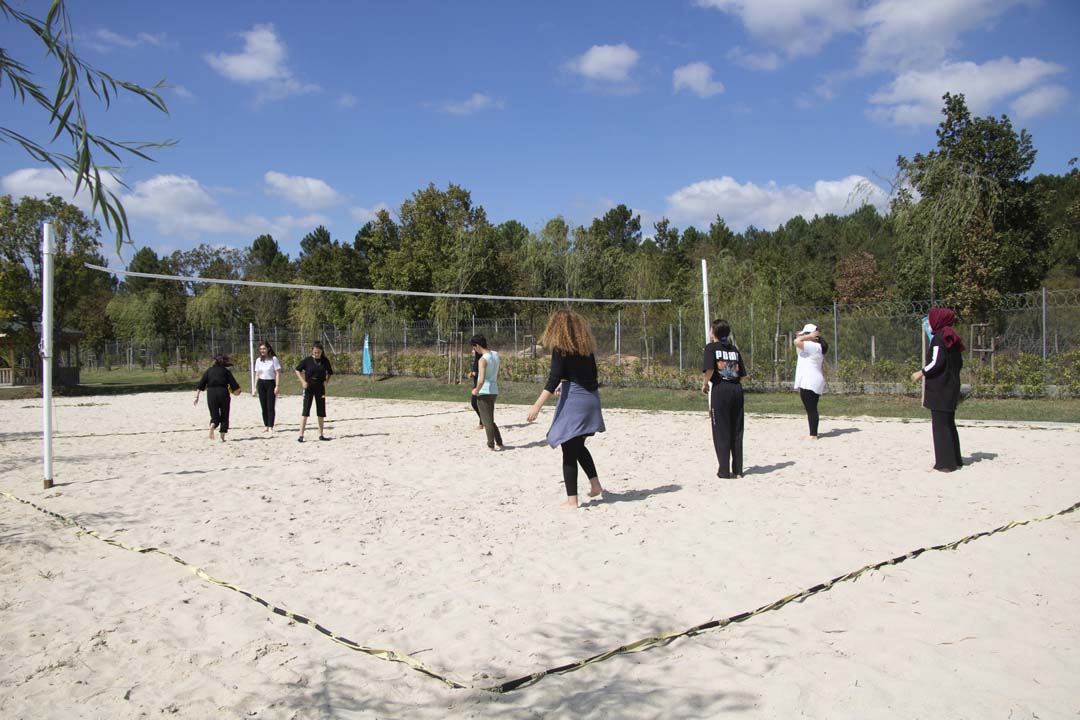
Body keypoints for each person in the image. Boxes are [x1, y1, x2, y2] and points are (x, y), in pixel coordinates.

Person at [526, 309, 605, 508]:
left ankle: (572, 501)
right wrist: (567, 384)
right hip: (591, 399)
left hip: (576, 402)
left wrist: (537, 406)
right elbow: (590, 376)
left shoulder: (561, 348)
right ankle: (595, 485)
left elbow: (553, 378)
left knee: (568, 448)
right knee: (578, 446)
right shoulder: (586, 348)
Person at [911, 308, 965, 472]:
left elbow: (936, 362)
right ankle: (955, 459)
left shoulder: (939, 338)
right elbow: (959, 363)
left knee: (940, 426)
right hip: (951, 385)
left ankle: (945, 463)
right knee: (949, 423)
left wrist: (921, 373)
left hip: (940, 388)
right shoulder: (952, 337)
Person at [701, 319, 746, 478]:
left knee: (721, 430)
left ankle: (724, 470)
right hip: (736, 389)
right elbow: (742, 375)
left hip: (721, 389)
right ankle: (738, 470)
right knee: (737, 429)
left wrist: (705, 384)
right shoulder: (734, 349)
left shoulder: (711, 348)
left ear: (714, 332)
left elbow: (710, 369)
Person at [194, 354, 241, 442]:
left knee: (214, 414)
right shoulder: (226, 371)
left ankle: (213, 424)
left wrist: (197, 396)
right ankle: (222, 436)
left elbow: (201, 384)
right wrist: (237, 390)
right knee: (225, 414)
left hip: (211, 393)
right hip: (223, 392)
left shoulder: (209, 371)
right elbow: (233, 384)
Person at [793, 323, 828, 440]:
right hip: (811, 379)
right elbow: (797, 342)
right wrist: (804, 335)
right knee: (811, 408)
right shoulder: (812, 346)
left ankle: (813, 434)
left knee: (811, 408)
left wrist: (808, 336)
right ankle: (813, 433)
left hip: (811, 380)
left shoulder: (814, 347)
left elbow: (797, 342)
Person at [470, 335, 504, 450]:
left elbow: (481, 379)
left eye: (474, 348)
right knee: (490, 419)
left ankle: (491, 444)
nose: (474, 350)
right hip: (494, 390)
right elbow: (498, 374)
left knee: (486, 421)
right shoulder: (495, 355)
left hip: (484, 391)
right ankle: (499, 441)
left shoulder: (483, 359)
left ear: (477, 345)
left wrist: (476, 390)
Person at [295, 341, 333, 442]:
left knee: (321, 410)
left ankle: (321, 434)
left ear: (322, 352)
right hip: (309, 387)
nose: (317, 354)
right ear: (312, 351)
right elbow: (297, 370)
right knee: (305, 410)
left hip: (320, 387)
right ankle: (301, 435)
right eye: (315, 352)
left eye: (319, 352)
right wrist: (303, 381)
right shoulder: (307, 361)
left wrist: (326, 381)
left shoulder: (325, 361)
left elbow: (330, 372)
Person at [253, 341, 282, 433]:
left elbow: (277, 373)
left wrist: (277, 386)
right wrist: (254, 387)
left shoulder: (273, 359)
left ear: (268, 349)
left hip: (270, 383)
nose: (262, 350)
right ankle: (266, 425)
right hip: (261, 383)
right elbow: (257, 374)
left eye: (264, 348)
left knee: (270, 405)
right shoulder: (258, 360)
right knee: (263, 405)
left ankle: (271, 426)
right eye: (261, 349)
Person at [468, 348, 484, 430]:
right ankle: (482, 422)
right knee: (475, 403)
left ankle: (482, 423)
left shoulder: (482, 359)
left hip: (481, 385)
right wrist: (472, 374)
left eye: (473, 350)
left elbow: (484, 373)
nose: (472, 351)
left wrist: (475, 373)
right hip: (476, 384)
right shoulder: (476, 359)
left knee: (475, 403)